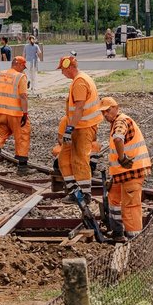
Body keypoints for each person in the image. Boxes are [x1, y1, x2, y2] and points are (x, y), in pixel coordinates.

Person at [100, 96, 151, 240]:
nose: (105, 115)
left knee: (131, 206)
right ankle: (118, 232)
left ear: (117, 108)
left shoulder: (121, 121)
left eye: (108, 111)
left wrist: (122, 158)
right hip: (121, 174)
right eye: (103, 112)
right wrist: (113, 177)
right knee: (114, 199)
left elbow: (118, 138)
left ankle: (134, 237)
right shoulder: (117, 121)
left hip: (131, 172)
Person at [58, 55, 102, 208]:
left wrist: (69, 129)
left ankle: (84, 193)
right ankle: (74, 190)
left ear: (69, 67)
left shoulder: (79, 82)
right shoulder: (82, 79)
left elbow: (79, 107)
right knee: (64, 157)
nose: (62, 73)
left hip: (82, 127)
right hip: (82, 126)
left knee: (80, 158)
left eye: (63, 70)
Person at [0, 55, 31, 175]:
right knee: (22, 135)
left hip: (0, 112)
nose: (23, 69)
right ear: (19, 64)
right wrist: (25, 113)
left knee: (0, 135)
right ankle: (22, 167)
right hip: (16, 114)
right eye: (23, 66)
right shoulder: (20, 77)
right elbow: (23, 96)